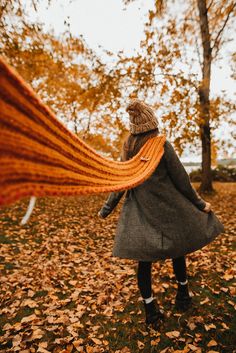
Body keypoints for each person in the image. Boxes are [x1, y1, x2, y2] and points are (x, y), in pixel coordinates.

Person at [98, 99, 225, 330]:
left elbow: (121, 181)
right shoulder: (161, 144)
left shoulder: (128, 147)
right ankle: (183, 296)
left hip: (140, 212)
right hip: (168, 208)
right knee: (178, 250)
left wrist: (107, 208)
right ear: (153, 123)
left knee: (144, 262)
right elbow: (181, 180)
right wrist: (199, 204)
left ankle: (151, 311)